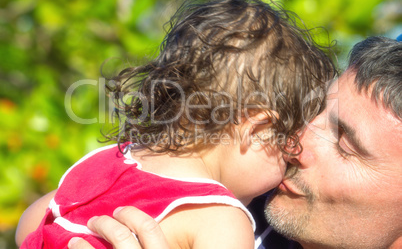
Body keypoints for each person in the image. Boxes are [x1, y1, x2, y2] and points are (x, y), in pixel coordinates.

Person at [15, 0, 336, 249]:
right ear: (256, 128)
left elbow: (29, 227)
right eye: (286, 147)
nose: (287, 168)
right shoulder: (220, 220)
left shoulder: (106, 162)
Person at [66, 36, 402, 249]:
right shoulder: (236, 198)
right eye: (312, 111)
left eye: (345, 146)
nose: (295, 142)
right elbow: (49, 215)